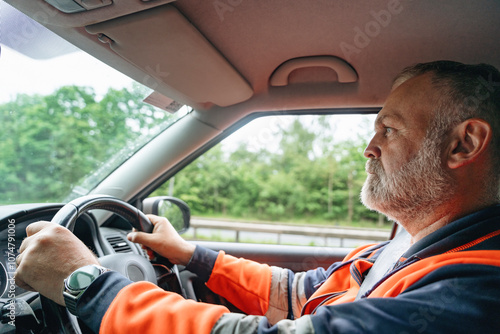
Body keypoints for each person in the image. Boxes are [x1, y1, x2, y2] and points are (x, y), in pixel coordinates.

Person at [15, 60, 500, 333]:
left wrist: (87, 285)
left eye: (389, 130)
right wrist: (190, 255)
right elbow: (297, 295)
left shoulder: (474, 292)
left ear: (464, 144)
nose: (368, 148)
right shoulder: (399, 250)